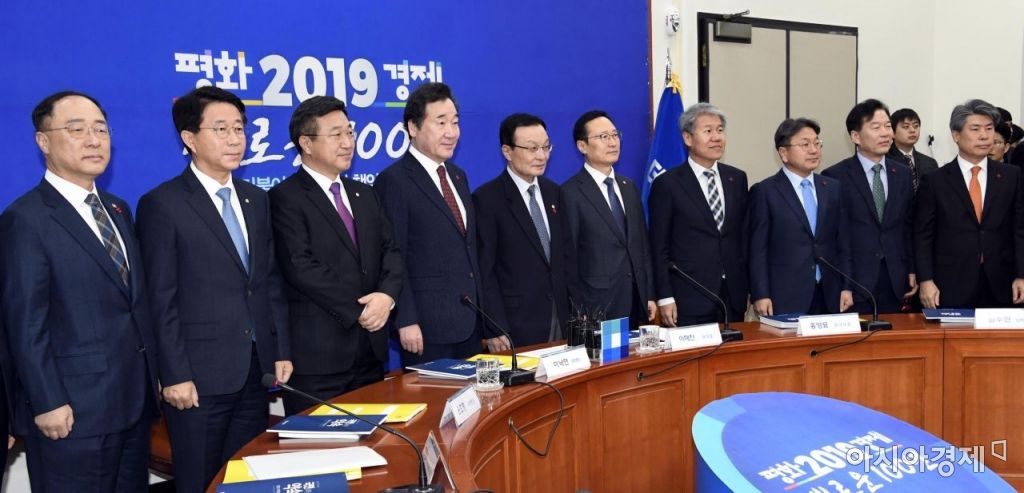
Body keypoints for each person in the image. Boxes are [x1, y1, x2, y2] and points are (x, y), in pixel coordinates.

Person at [0, 91, 159, 491]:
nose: (93, 140)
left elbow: (132, 304)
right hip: (72, 412)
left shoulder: (118, 209)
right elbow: (25, 324)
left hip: (133, 404)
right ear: (43, 141)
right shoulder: (26, 219)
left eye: (100, 130)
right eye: (76, 130)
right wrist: (47, 400)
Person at [136, 86, 292, 492]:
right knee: (199, 481)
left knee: (243, 480)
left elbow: (268, 283)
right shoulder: (163, 204)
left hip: (255, 372)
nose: (234, 139)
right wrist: (174, 374)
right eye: (221, 129)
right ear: (189, 138)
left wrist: (279, 350)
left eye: (239, 128)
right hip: (198, 379)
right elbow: (160, 299)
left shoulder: (256, 199)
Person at [269, 96, 402, 416]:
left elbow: (391, 251)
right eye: (336, 134)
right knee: (323, 443)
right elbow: (301, 266)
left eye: (349, 132)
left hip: (370, 352)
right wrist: (362, 309)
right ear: (306, 143)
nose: (347, 143)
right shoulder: (284, 198)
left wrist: (386, 297)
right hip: (318, 359)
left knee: (374, 441)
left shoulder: (365, 194)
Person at [375, 82, 482, 366]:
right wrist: (405, 319)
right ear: (413, 127)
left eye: (455, 122)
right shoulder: (395, 181)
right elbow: (393, 255)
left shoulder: (458, 176)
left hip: (470, 320)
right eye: (441, 122)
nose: (451, 132)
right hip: (426, 327)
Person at [473, 113, 574, 348]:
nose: (542, 156)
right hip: (515, 323)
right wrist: (495, 326)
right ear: (507, 151)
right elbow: (485, 271)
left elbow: (567, 256)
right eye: (532, 148)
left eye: (546, 147)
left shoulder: (554, 193)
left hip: (561, 317)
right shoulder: (487, 199)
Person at [914, 99, 1024, 309]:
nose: (984, 136)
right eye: (975, 129)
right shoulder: (935, 181)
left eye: (989, 129)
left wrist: (1021, 275)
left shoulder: (1012, 176)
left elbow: (1019, 230)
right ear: (956, 135)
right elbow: (923, 236)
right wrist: (925, 280)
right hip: (950, 283)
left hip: (1002, 282)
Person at [649, 103, 749, 327]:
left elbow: (743, 237)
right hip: (689, 296)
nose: (717, 137)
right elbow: (658, 246)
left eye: (720, 130)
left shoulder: (737, 178)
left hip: (732, 295)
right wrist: (665, 296)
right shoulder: (668, 184)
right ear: (687, 138)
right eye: (708, 131)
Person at [749, 118, 854, 315]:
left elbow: (843, 243)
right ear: (783, 153)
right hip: (785, 295)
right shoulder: (765, 191)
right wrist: (760, 294)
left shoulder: (832, 188)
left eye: (817, 143)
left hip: (829, 293)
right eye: (805, 144)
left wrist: (847, 286)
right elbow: (758, 250)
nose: (814, 150)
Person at [561, 110, 655, 326]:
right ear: (582, 146)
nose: (613, 142)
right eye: (603, 137)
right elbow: (569, 257)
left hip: (636, 299)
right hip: (596, 305)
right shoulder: (570, 193)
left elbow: (641, 245)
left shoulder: (628, 187)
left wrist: (649, 293)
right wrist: (578, 306)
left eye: (615, 135)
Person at [822, 99, 916, 314]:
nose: (885, 133)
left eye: (888, 126)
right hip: (855, 280)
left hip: (895, 277)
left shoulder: (902, 173)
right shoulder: (835, 177)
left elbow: (907, 226)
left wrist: (912, 268)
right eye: (876, 127)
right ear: (855, 136)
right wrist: (844, 282)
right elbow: (834, 236)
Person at [886, 108, 940, 192]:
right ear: (892, 133)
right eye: (906, 127)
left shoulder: (930, 163)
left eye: (916, 126)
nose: (912, 130)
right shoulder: (885, 160)